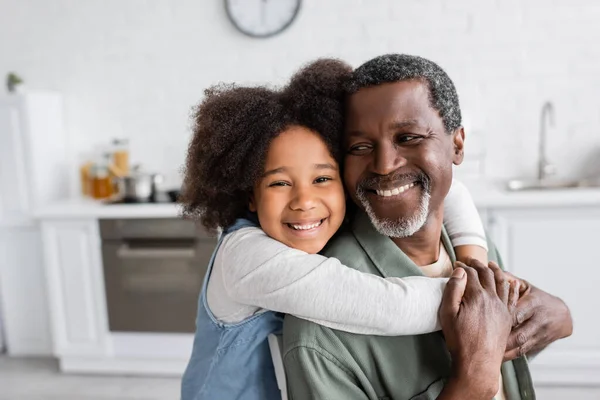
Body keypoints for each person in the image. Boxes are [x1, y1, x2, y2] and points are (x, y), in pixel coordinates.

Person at [179, 59, 510, 400]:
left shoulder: (314, 226)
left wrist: (473, 259)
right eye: (279, 183)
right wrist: (489, 302)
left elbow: (447, 188)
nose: (305, 201)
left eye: (322, 179)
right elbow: (386, 306)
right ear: (250, 193)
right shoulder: (245, 258)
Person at [283, 54, 573, 399]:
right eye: (360, 147)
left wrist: (553, 319)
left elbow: (505, 355)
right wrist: (472, 379)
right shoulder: (319, 332)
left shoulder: (471, 247)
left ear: (457, 144)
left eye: (408, 138)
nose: (385, 165)